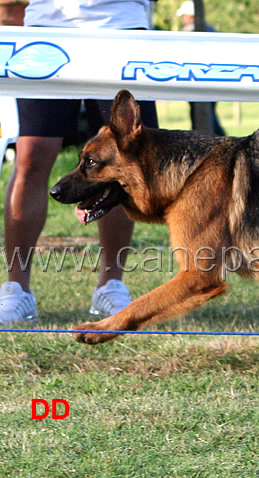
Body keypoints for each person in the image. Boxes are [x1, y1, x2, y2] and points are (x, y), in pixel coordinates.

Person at [0, 0, 159, 325]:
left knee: (121, 161)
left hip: (121, 27)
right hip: (46, 30)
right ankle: (17, 289)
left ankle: (111, 285)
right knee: (31, 155)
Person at [176, 1, 226, 136]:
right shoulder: (211, 29)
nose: (183, 18)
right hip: (213, 76)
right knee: (210, 112)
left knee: (200, 115)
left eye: (185, 15)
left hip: (194, 77)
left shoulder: (188, 31)